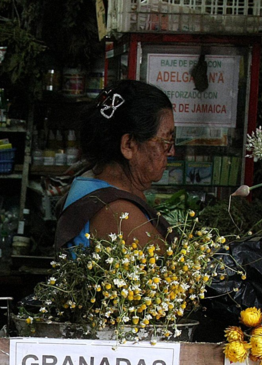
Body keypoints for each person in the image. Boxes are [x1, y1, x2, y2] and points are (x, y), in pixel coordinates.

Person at [55, 80, 175, 250]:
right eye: (166, 141)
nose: (171, 152)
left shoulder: (93, 181)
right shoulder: (119, 213)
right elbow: (166, 263)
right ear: (128, 145)